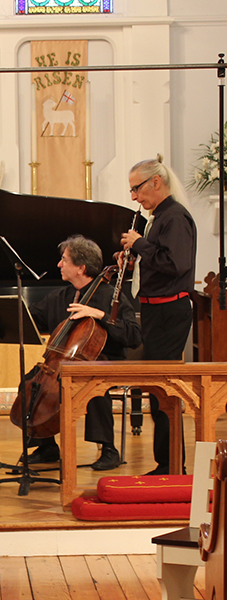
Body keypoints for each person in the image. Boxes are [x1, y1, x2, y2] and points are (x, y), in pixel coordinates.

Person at [24, 235, 142, 471]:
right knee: (29, 383)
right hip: (65, 363)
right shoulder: (61, 296)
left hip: (106, 360)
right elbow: (30, 317)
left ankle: (109, 448)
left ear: (81, 267)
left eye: (64, 260)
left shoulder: (111, 296)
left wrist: (100, 316)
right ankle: (46, 445)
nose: (59, 264)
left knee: (93, 386)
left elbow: (134, 336)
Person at [120, 155, 196, 475]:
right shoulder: (159, 217)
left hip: (169, 311)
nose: (134, 197)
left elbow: (175, 264)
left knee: (164, 391)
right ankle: (166, 463)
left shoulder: (175, 216)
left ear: (156, 181)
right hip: (156, 310)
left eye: (136, 189)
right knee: (157, 390)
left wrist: (140, 246)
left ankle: (170, 466)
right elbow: (159, 262)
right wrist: (133, 257)